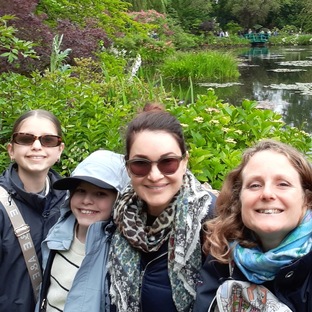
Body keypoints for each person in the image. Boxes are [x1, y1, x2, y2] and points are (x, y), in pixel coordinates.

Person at [109, 103, 217, 312]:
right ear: (128, 167)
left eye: (167, 162)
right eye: (141, 164)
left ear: (185, 162)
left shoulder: (212, 221)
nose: (155, 175)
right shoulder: (118, 215)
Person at [194, 139, 312, 312]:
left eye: (283, 184)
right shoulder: (222, 256)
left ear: (307, 199)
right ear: (238, 200)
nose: (267, 193)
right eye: (255, 185)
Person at [36, 149, 130, 312]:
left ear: (119, 200)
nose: (86, 200)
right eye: (80, 191)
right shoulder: (58, 232)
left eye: (100, 194)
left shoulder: (120, 253)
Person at [0, 109, 66, 312]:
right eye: (26, 139)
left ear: (59, 150)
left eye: (48, 140)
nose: (37, 146)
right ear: (11, 149)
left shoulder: (71, 203)